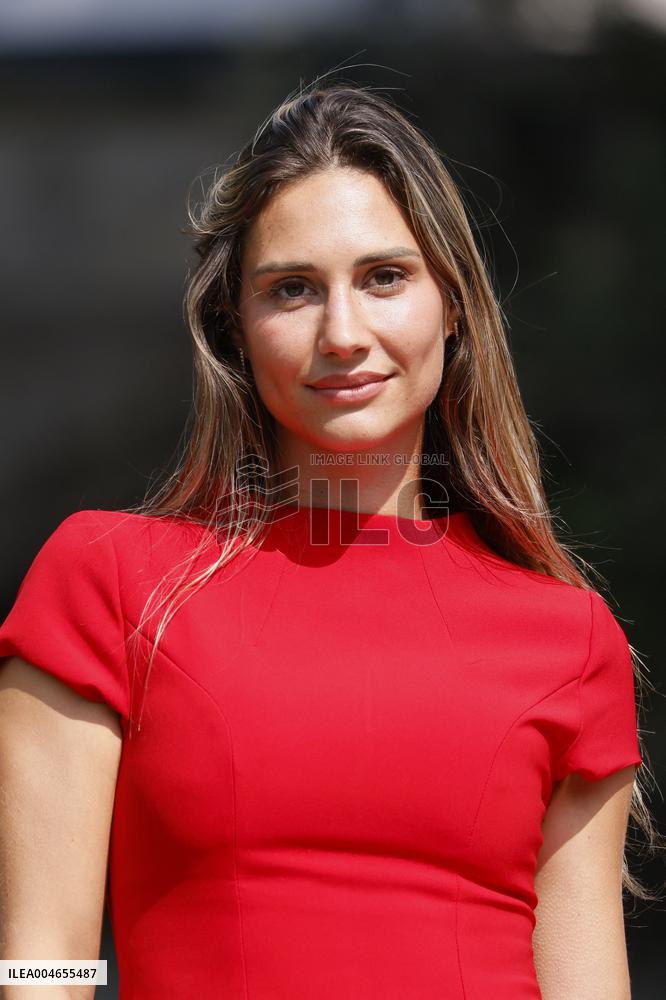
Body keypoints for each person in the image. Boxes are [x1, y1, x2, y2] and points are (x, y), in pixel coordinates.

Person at [0, 80, 660, 1000]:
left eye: (385, 277)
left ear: (454, 306)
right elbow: (42, 961)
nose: (343, 334)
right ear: (236, 324)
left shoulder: (570, 639)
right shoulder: (111, 584)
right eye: (293, 289)